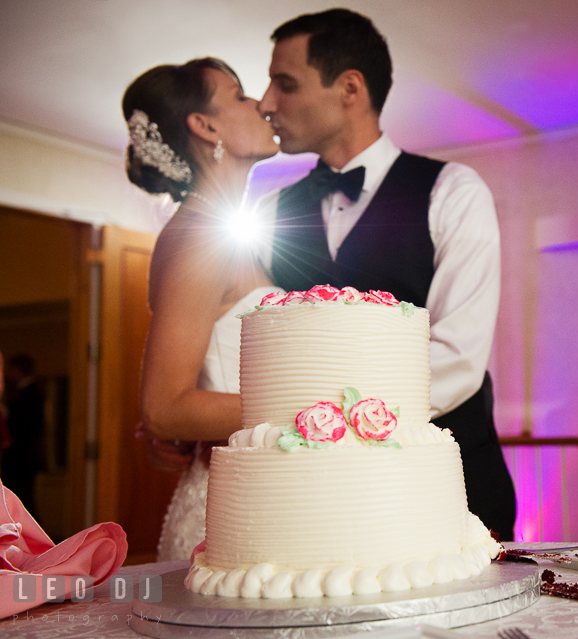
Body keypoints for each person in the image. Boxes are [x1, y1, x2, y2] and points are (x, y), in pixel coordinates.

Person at [256, 9, 517, 539]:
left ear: (349, 87)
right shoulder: (270, 211)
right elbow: (255, 344)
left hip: (448, 486)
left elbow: (458, 357)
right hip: (312, 496)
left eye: (285, 84)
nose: (265, 104)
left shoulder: (453, 190)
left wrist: (333, 423)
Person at [124, 57, 281, 560]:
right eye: (239, 95)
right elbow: (164, 407)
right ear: (205, 125)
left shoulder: (224, 232)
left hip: (261, 487)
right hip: (234, 510)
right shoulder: (199, 238)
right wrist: (309, 409)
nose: (258, 102)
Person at [1, 353, 46, 514]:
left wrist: (8, 416)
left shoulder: (31, 392)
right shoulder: (23, 392)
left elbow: (28, 426)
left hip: (22, 458)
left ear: (18, 370)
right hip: (20, 458)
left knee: (22, 501)